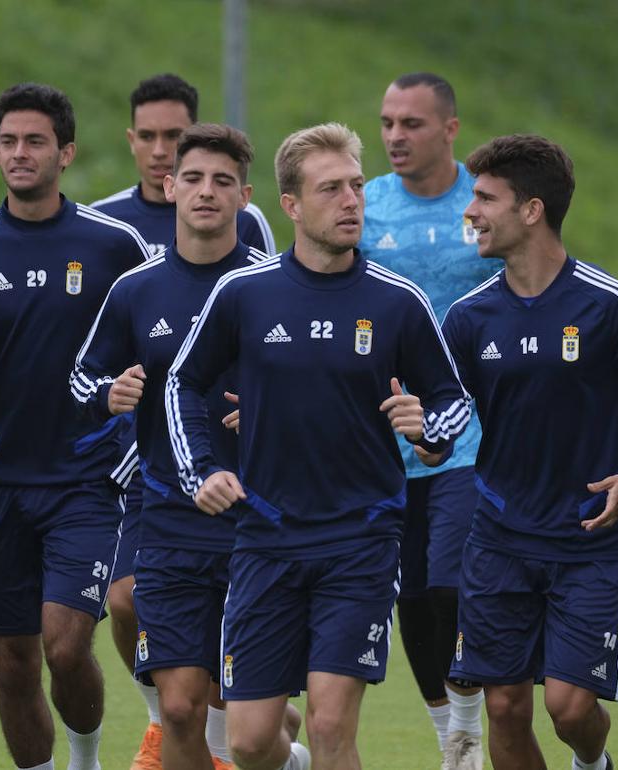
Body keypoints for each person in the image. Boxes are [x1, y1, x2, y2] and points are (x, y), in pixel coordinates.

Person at [166, 123, 470, 770]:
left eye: (356, 186)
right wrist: (201, 472)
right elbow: (183, 382)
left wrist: (428, 431)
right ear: (291, 207)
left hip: (360, 538)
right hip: (265, 538)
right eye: (330, 189)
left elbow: (453, 399)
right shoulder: (244, 293)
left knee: (333, 724)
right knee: (248, 744)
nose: (352, 201)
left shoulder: (397, 301)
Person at [442, 134, 618, 770]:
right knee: (504, 710)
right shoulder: (468, 319)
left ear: (532, 210)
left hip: (587, 541)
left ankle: (592, 764)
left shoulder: (607, 304)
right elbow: (445, 418)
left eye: (485, 197)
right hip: (497, 539)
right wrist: (417, 423)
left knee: (570, 708)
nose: (471, 212)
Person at [0, 82, 152, 770]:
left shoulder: (115, 245)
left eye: (34, 141)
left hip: (86, 478)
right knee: (12, 660)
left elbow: (160, 344)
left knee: (63, 644)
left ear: (67, 152)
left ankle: (86, 760)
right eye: (8, 141)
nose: (19, 154)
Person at [73, 123, 284, 770]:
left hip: (258, 517)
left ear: (244, 197)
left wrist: (275, 408)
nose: (205, 192)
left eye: (223, 182)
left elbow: (320, 386)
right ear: (169, 186)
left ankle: (290, 757)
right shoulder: (136, 289)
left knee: (245, 724)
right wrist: (110, 391)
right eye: (192, 178)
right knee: (183, 707)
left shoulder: (272, 285)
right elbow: (83, 376)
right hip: (166, 513)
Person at [357, 71, 490, 769]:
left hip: (475, 437)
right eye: (386, 123)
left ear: (449, 129)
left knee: (451, 581)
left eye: (410, 123)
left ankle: (469, 718)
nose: (394, 137)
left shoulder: (488, 199)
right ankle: (454, 742)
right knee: (411, 593)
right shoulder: (366, 205)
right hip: (384, 441)